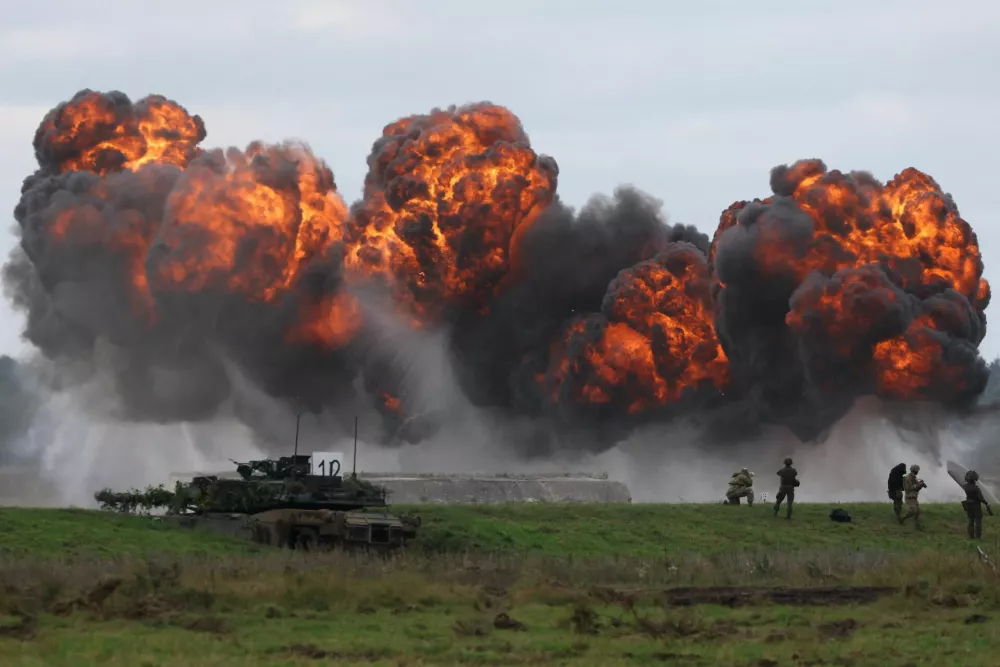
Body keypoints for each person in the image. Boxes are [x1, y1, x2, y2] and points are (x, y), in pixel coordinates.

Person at [961, 469, 993, 539]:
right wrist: (986, 503)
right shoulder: (976, 488)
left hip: (968, 505)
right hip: (976, 506)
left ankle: (971, 536)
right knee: (978, 522)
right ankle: (978, 537)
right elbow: (980, 498)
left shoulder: (964, 487)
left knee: (970, 521)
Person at [898, 464, 927, 529]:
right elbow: (908, 488)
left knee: (917, 511)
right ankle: (903, 518)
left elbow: (916, 489)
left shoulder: (914, 478)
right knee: (914, 511)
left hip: (914, 497)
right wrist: (918, 485)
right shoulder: (908, 478)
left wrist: (921, 485)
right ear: (915, 470)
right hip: (909, 497)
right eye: (917, 470)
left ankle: (916, 525)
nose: (917, 472)